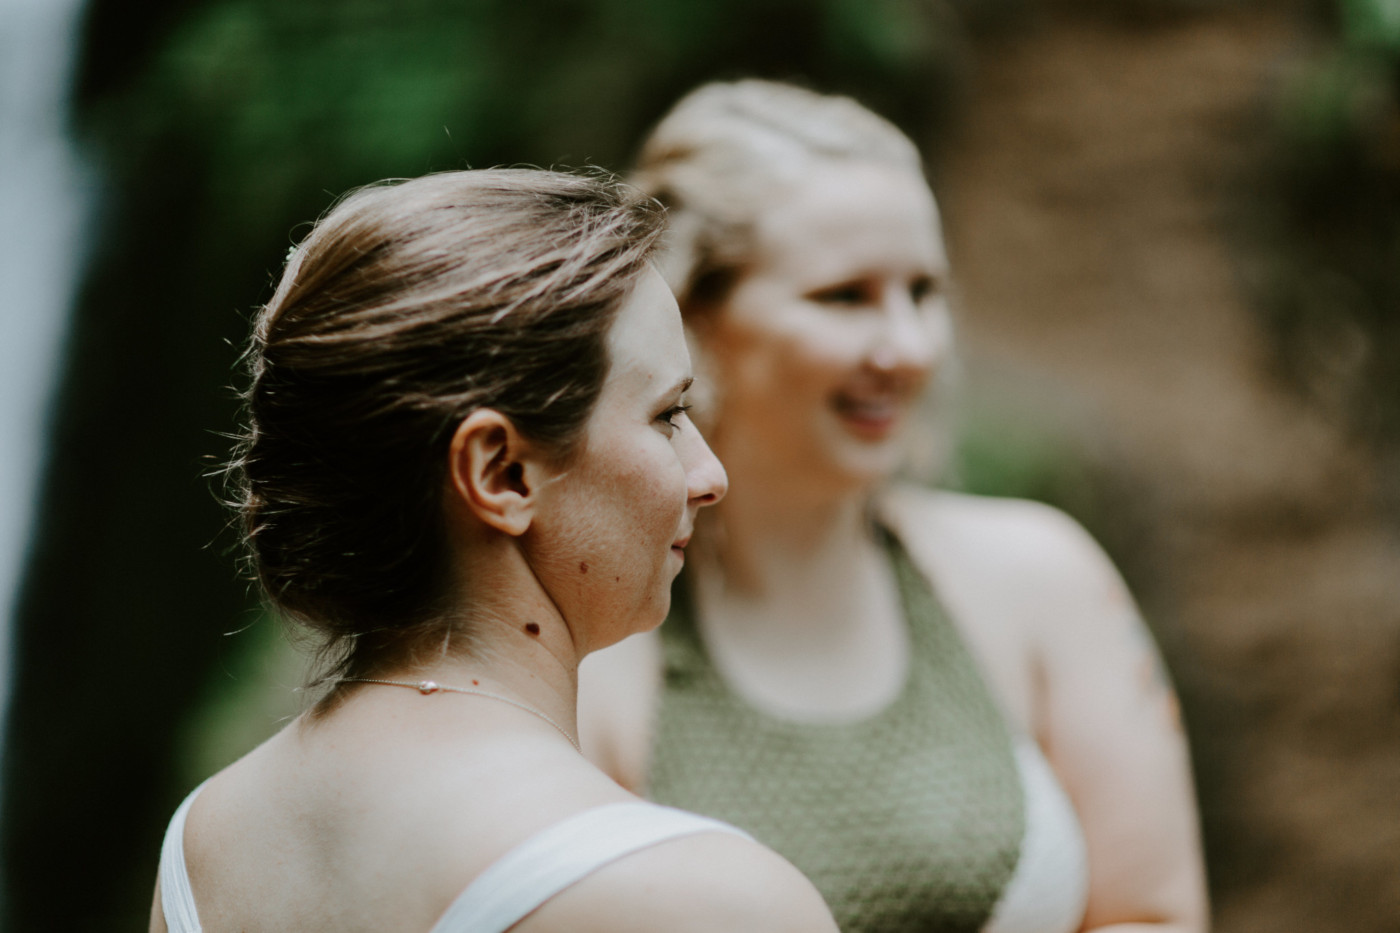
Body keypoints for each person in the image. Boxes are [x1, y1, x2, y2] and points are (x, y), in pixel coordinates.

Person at [579, 81, 1209, 933]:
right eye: (845, 296)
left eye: (924, 291)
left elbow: (1154, 913)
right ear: (694, 314)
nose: (908, 349)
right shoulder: (599, 644)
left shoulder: (1043, 575)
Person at [150, 168, 839, 933]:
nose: (710, 475)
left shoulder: (203, 846)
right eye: (668, 414)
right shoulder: (701, 896)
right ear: (500, 472)